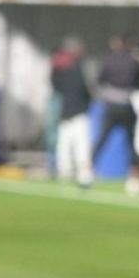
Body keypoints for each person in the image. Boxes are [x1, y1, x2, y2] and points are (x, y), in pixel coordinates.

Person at [92, 34, 139, 194]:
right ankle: (134, 177)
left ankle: (87, 171)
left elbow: (100, 79)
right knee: (132, 142)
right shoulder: (134, 60)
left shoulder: (108, 59)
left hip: (110, 105)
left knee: (102, 138)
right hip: (126, 104)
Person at [50, 36, 94, 188]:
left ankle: (66, 172)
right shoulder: (74, 68)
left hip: (67, 112)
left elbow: (56, 87)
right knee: (79, 145)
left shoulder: (61, 68)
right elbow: (84, 90)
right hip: (77, 112)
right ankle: (81, 173)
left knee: (66, 145)